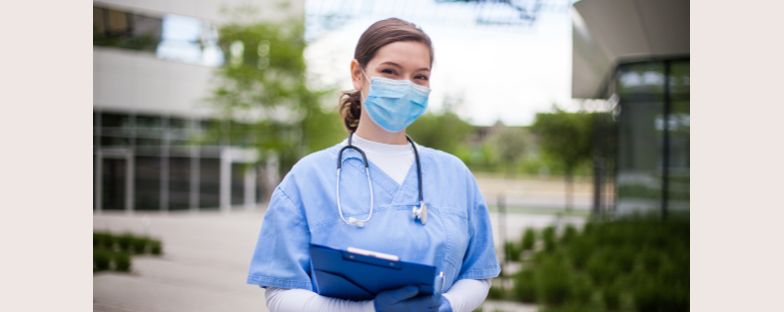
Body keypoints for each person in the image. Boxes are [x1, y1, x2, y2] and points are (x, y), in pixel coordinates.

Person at [247, 17, 500, 312]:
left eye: (420, 77)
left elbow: (477, 274)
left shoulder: (454, 175)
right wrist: (368, 310)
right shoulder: (308, 178)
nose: (406, 86)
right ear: (358, 74)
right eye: (390, 72)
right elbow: (280, 293)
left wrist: (447, 305)